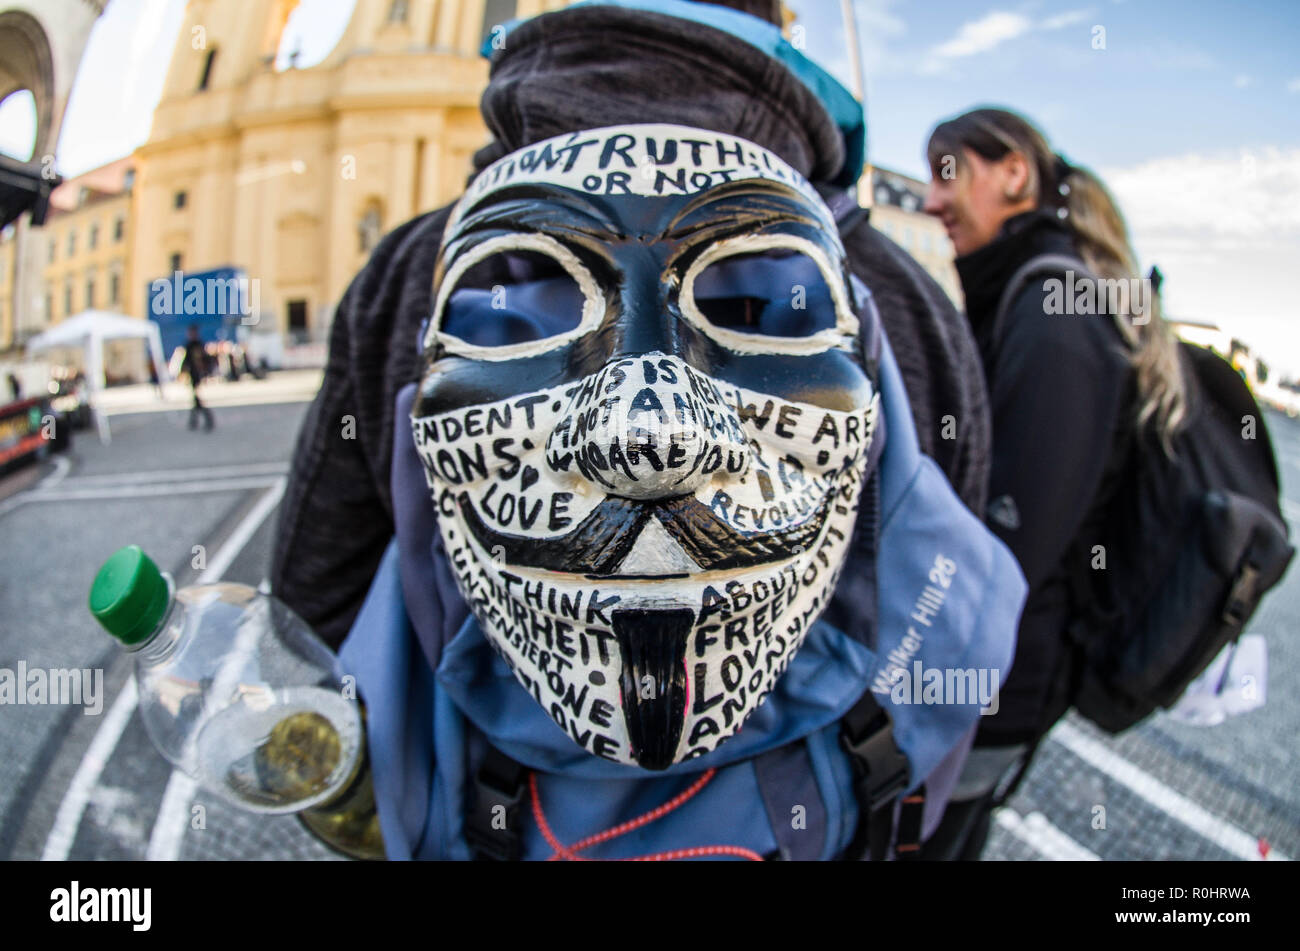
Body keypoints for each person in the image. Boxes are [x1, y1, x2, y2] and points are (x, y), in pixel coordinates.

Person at [272, 0, 1016, 860]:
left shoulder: (404, 264)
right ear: (780, 16)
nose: (648, 438)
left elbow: (311, 595)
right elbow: (946, 544)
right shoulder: (908, 289)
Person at [919, 107, 1186, 858]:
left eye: (948, 172)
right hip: (991, 680)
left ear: (1013, 173)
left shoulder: (1054, 308)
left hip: (985, 690)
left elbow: (1009, 543)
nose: (934, 200)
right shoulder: (1035, 291)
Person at [180, 325, 215, 431]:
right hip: (193, 375)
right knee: (196, 400)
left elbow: (207, 360)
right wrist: (183, 372)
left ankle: (202, 420)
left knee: (197, 400)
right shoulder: (189, 345)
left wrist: (206, 372)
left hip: (197, 375)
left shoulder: (199, 345)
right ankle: (196, 421)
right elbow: (186, 361)